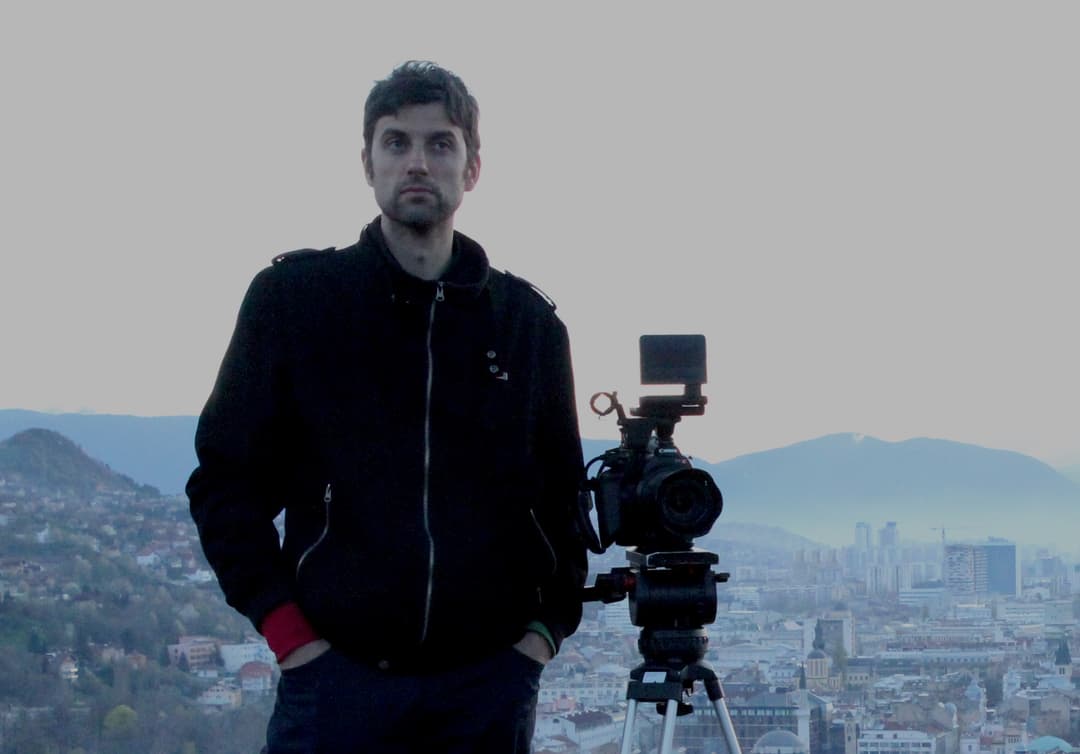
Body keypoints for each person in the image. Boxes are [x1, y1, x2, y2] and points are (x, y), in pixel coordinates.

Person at [187, 61, 587, 753]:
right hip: (335, 683)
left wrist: (540, 638)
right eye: (396, 142)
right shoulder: (298, 302)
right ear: (367, 162)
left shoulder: (527, 326)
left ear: (473, 168)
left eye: (440, 144)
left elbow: (560, 501)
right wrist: (288, 635)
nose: (417, 163)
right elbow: (225, 481)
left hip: (484, 690)